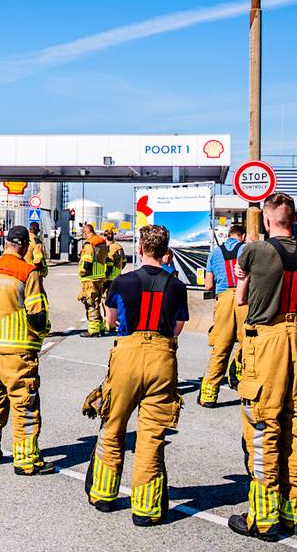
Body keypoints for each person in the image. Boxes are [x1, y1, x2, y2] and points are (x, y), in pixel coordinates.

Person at [84, 224, 188, 527]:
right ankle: (146, 509)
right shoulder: (177, 286)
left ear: (140, 248)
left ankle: (103, 494)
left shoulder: (123, 281)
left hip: (127, 354)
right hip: (162, 357)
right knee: (152, 436)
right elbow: (178, 326)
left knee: (113, 425)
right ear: (166, 252)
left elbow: (112, 318)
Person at [229, 192, 297, 540]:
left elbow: (240, 297)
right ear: (293, 220)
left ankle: (263, 519)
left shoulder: (254, 250)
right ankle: (294, 511)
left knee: (264, 425)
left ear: (267, 220)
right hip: (295, 336)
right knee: (295, 421)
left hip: (265, 341)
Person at [0, 225, 55, 475]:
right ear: (25, 246)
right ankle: (26, 460)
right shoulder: (28, 273)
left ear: (7, 242)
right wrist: (41, 334)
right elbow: (38, 316)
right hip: (19, 351)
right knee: (25, 406)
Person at [198, 223, 246, 408]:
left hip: (224, 300)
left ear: (228, 234)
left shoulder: (215, 253)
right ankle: (244, 388)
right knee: (247, 344)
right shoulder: (247, 250)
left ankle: (209, 394)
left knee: (221, 347)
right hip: (244, 300)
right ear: (242, 235)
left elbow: (208, 286)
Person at [76, 223, 110, 337]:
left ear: (86, 232)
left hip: (90, 278)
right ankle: (99, 327)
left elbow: (87, 262)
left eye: (84, 234)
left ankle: (93, 331)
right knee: (97, 302)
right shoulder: (102, 242)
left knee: (90, 303)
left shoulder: (89, 244)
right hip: (100, 277)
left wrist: (82, 272)